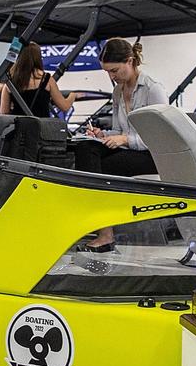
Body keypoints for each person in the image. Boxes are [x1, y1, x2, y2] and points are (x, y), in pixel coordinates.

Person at [72, 38, 168, 251]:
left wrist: (125, 139)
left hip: (152, 154)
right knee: (86, 149)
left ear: (130, 61)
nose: (112, 77)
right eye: (108, 72)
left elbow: (162, 136)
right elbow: (119, 130)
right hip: (130, 150)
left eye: (114, 70)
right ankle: (102, 230)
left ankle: (104, 232)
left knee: (96, 169)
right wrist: (102, 134)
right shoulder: (118, 92)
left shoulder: (153, 89)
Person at [0, 43, 76, 117]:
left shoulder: (10, 82)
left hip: (19, 129)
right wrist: (73, 95)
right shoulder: (46, 79)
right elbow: (64, 106)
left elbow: (4, 113)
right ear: (38, 58)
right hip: (42, 129)